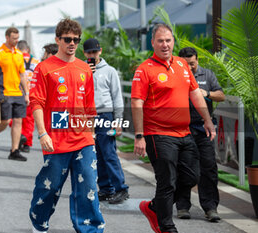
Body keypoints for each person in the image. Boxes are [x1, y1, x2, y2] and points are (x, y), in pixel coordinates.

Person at [131, 23, 216, 233]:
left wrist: (207, 119)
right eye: (160, 41)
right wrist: (139, 136)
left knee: (192, 177)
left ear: (173, 42)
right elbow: (136, 103)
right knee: (167, 181)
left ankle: (153, 207)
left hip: (184, 133)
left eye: (168, 40)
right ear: (153, 43)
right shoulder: (144, 69)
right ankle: (166, 226)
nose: (165, 44)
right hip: (158, 134)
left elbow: (195, 93)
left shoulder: (181, 64)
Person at [29, 18, 105, 233]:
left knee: (88, 186)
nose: (72, 43)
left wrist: (92, 132)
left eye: (76, 40)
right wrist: (42, 133)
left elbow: (89, 105)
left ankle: (90, 229)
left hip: (83, 138)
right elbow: (36, 102)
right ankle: (39, 223)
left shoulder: (84, 68)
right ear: (58, 39)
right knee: (50, 187)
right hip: (55, 139)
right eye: (67, 39)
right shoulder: (44, 68)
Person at [175, 47, 225, 222]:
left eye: (192, 63)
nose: (190, 67)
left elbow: (221, 95)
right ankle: (182, 206)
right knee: (184, 167)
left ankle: (210, 208)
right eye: (186, 64)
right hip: (182, 128)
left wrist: (207, 93)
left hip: (204, 128)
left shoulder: (207, 75)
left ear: (197, 60)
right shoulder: (176, 74)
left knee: (208, 167)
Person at [83, 38, 129, 204]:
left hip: (105, 115)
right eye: (89, 52)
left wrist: (118, 120)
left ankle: (120, 188)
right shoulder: (82, 70)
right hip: (88, 117)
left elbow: (117, 97)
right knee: (97, 154)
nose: (92, 55)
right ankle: (106, 189)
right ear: (84, 53)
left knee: (109, 153)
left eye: (94, 52)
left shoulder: (110, 71)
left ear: (100, 51)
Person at [0, 27, 29, 162]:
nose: (16, 41)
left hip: (18, 92)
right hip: (4, 91)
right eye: (14, 38)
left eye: (17, 38)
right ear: (7, 37)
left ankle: (14, 151)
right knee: (5, 121)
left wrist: (26, 93)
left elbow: (22, 75)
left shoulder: (19, 54)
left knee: (18, 121)